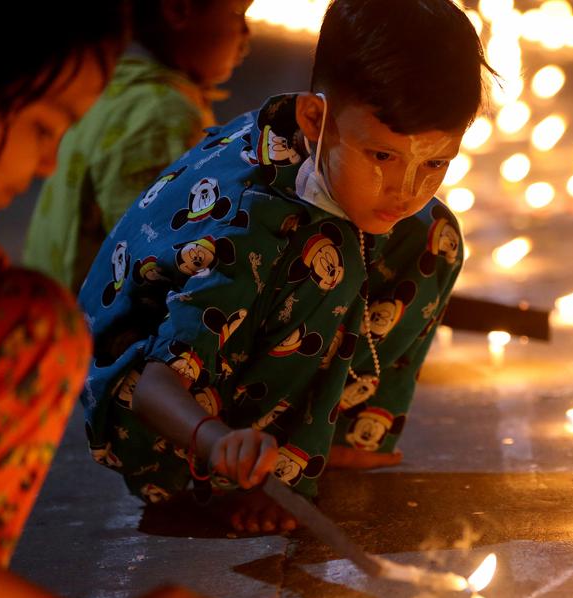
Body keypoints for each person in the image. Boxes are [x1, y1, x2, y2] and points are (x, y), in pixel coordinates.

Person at [78, 0, 492, 535]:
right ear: (314, 119)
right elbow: (157, 386)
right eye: (383, 157)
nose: (406, 189)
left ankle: (341, 440)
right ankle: (244, 483)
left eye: (435, 163)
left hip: (214, 387)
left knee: (433, 232)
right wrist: (219, 443)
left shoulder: (318, 160)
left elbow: (410, 210)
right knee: (326, 257)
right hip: (156, 424)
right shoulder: (251, 223)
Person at [0, 4, 238, 598]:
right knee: (39, 329)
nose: (48, 162)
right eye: (42, 126)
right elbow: (157, 270)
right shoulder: (20, 323)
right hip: (95, 345)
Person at [24, 0, 252, 289]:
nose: (247, 34)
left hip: (53, 309)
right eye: (238, 14)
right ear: (179, 9)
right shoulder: (164, 113)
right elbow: (154, 254)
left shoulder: (116, 88)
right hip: (95, 326)